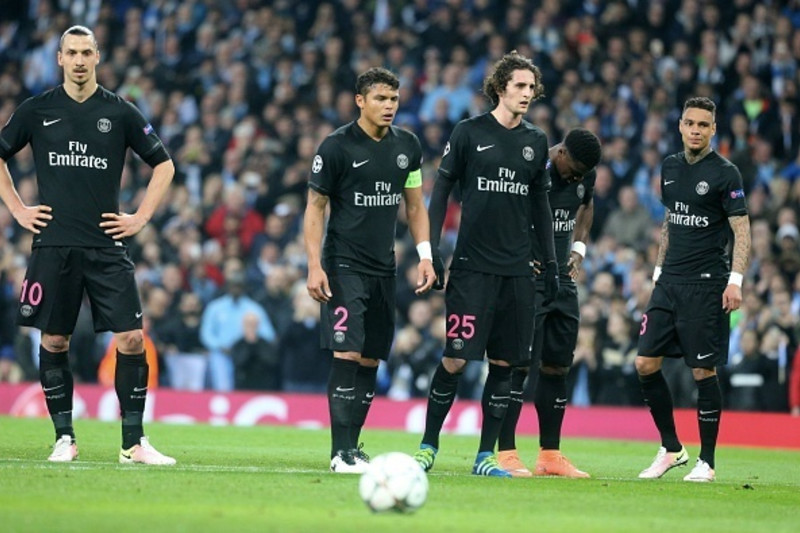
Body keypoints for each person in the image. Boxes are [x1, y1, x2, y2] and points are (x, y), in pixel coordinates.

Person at [0, 26, 176, 464]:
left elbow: (165, 165)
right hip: (53, 246)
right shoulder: (37, 110)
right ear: (59, 58)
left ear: (98, 57)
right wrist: (19, 210)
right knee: (55, 340)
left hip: (106, 246)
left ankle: (133, 443)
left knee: (132, 339)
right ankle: (64, 437)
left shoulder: (120, 112)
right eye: (71, 53)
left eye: (86, 52)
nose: (79, 60)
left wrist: (140, 217)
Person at [413, 51, 559, 477]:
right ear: (499, 87)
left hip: (517, 272)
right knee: (456, 360)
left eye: (532, 87)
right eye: (519, 86)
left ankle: (485, 456)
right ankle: (428, 445)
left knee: (505, 365)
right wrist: (432, 250)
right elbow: (439, 193)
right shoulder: (468, 133)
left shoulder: (536, 141)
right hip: (472, 269)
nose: (527, 94)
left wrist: (550, 265)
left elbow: (541, 208)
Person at [304, 67, 436, 474]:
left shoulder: (407, 147)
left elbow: (414, 205)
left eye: (394, 99)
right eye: (381, 98)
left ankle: (354, 446)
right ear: (360, 101)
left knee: (371, 359)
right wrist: (314, 264)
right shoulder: (337, 146)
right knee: (347, 351)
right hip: (344, 263)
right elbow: (315, 207)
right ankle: (339, 452)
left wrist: (426, 254)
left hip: (385, 267)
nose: (389, 106)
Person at [636, 96, 751, 482]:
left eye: (704, 124)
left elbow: (741, 230)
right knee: (644, 363)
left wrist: (735, 280)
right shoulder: (668, 167)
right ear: (681, 126)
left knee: (703, 370)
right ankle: (672, 448)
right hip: (669, 282)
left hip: (706, 284)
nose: (696, 130)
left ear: (713, 129)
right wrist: (657, 268)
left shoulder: (725, 173)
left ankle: (708, 461)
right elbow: (671, 220)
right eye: (690, 123)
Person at [496, 128, 602, 478]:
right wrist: (520, 255)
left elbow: (586, 206)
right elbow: (505, 214)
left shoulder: (585, 175)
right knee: (518, 365)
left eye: (583, 174)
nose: (577, 178)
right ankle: (507, 453)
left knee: (558, 366)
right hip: (528, 282)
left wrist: (579, 249)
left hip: (563, 281)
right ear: (560, 154)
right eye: (574, 170)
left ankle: (550, 454)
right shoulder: (531, 171)